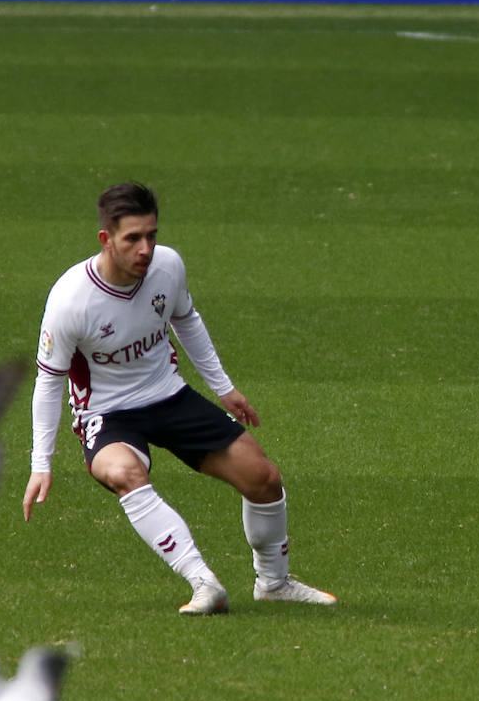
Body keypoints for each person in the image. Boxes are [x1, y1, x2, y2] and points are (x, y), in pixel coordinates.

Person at [22, 182, 336, 615]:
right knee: (125, 473)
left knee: (263, 477)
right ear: (106, 240)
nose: (146, 248)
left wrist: (223, 388)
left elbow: (187, 321)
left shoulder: (168, 267)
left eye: (151, 235)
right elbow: (49, 380)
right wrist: (42, 463)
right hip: (108, 414)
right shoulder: (71, 299)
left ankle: (274, 583)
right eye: (132, 238)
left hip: (169, 395)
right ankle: (203, 582)